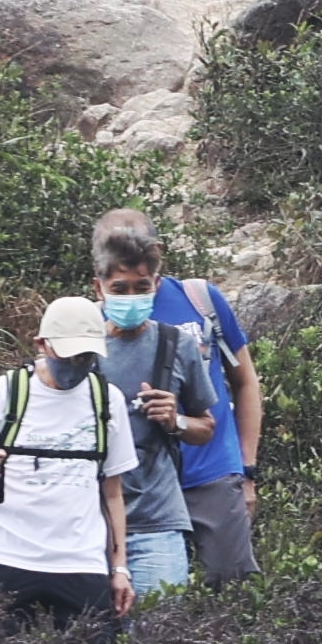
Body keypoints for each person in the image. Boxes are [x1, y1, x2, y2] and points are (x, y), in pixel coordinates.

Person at [0, 297, 138, 639]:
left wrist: (120, 567)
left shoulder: (107, 401)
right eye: (69, 356)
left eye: (87, 356)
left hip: (82, 562)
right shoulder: (4, 392)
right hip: (5, 556)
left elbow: (112, 493)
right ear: (41, 344)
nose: (78, 365)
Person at [114, 207, 268, 586]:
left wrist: (245, 470)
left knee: (231, 589)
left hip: (210, 475)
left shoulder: (200, 299)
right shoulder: (96, 320)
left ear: (157, 250)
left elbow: (245, 382)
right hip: (140, 489)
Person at [87, 221, 220, 598]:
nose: (131, 297)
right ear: (99, 288)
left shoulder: (176, 344)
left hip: (156, 522)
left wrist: (175, 419)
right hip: (85, 524)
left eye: (141, 288)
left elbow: (206, 427)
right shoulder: (80, 346)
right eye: (120, 289)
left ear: (156, 286)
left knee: (155, 641)